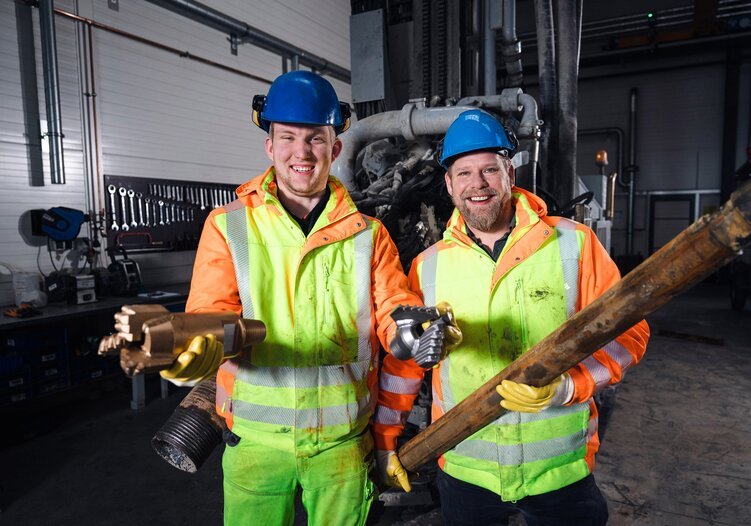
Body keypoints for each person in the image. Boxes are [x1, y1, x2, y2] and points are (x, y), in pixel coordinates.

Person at [160, 70, 445, 526]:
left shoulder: (369, 235)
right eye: (288, 138)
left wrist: (410, 331)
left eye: (315, 138)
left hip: (341, 445)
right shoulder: (229, 225)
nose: (302, 152)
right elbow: (211, 313)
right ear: (269, 146)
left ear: (336, 148)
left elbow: (393, 307)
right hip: (255, 442)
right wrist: (199, 346)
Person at [373, 109, 650, 525]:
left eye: (489, 170)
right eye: (464, 174)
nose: (478, 184)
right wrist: (385, 439)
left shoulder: (574, 244)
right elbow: (405, 366)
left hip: (559, 469)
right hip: (466, 467)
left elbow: (628, 335)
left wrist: (568, 386)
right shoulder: (427, 266)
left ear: (509, 174)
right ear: (449, 185)